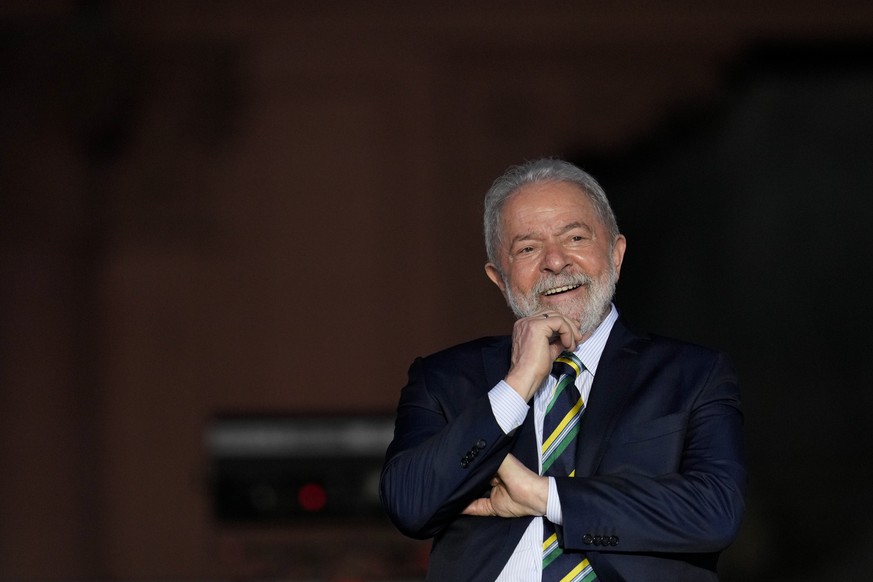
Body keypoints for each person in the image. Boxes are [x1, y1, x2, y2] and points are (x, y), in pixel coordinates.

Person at [380, 158, 746, 581]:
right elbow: (408, 506)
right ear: (499, 278)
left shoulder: (693, 373)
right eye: (528, 248)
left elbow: (716, 512)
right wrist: (516, 387)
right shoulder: (443, 379)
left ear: (616, 254)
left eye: (575, 237)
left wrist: (543, 495)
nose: (555, 262)